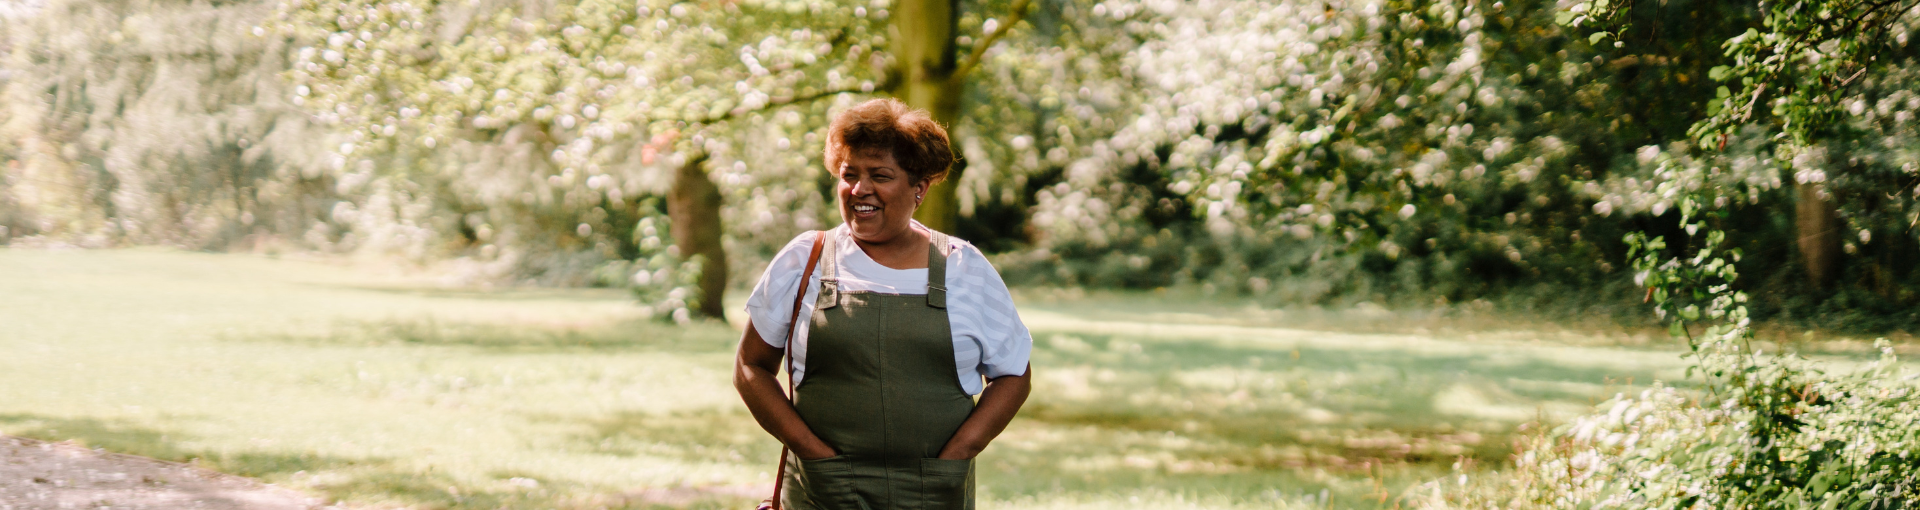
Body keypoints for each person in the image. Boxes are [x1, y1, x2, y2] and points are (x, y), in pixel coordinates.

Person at [733, 98, 1033, 510]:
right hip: (821, 491)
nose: (860, 189)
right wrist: (811, 452)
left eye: (880, 175)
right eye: (849, 174)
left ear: (919, 188)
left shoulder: (964, 267)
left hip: (933, 494)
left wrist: (960, 453)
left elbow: (1014, 373)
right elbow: (751, 366)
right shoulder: (804, 259)